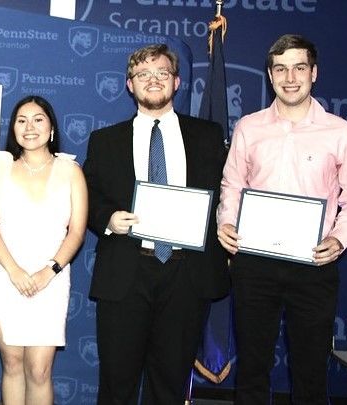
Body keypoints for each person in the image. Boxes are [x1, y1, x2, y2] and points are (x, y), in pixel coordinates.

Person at [217, 34, 347, 405]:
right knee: (253, 368)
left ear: (314, 73)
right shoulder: (249, 127)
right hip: (254, 262)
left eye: (299, 68)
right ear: (270, 76)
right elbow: (232, 184)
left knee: (310, 371)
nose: (290, 77)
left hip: (314, 264)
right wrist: (226, 222)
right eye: (281, 69)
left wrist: (339, 238)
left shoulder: (340, 132)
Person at [83, 44, 229, 404]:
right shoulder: (105, 140)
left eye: (162, 73)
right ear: (129, 84)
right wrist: (107, 219)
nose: (153, 80)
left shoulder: (209, 136)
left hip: (186, 275)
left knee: (169, 383)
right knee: (117, 383)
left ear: (177, 82)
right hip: (126, 274)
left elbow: (229, 193)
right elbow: (88, 197)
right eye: (143, 74)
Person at [0, 95, 87, 405]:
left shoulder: (70, 170)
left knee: (39, 371)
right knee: (12, 365)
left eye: (38, 119)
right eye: (21, 120)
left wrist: (48, 271)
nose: (29, 127)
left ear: (51, 127)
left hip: (50, 278)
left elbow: (76, 231)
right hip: (6, 274)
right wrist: (14, 271)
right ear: (13, 128)